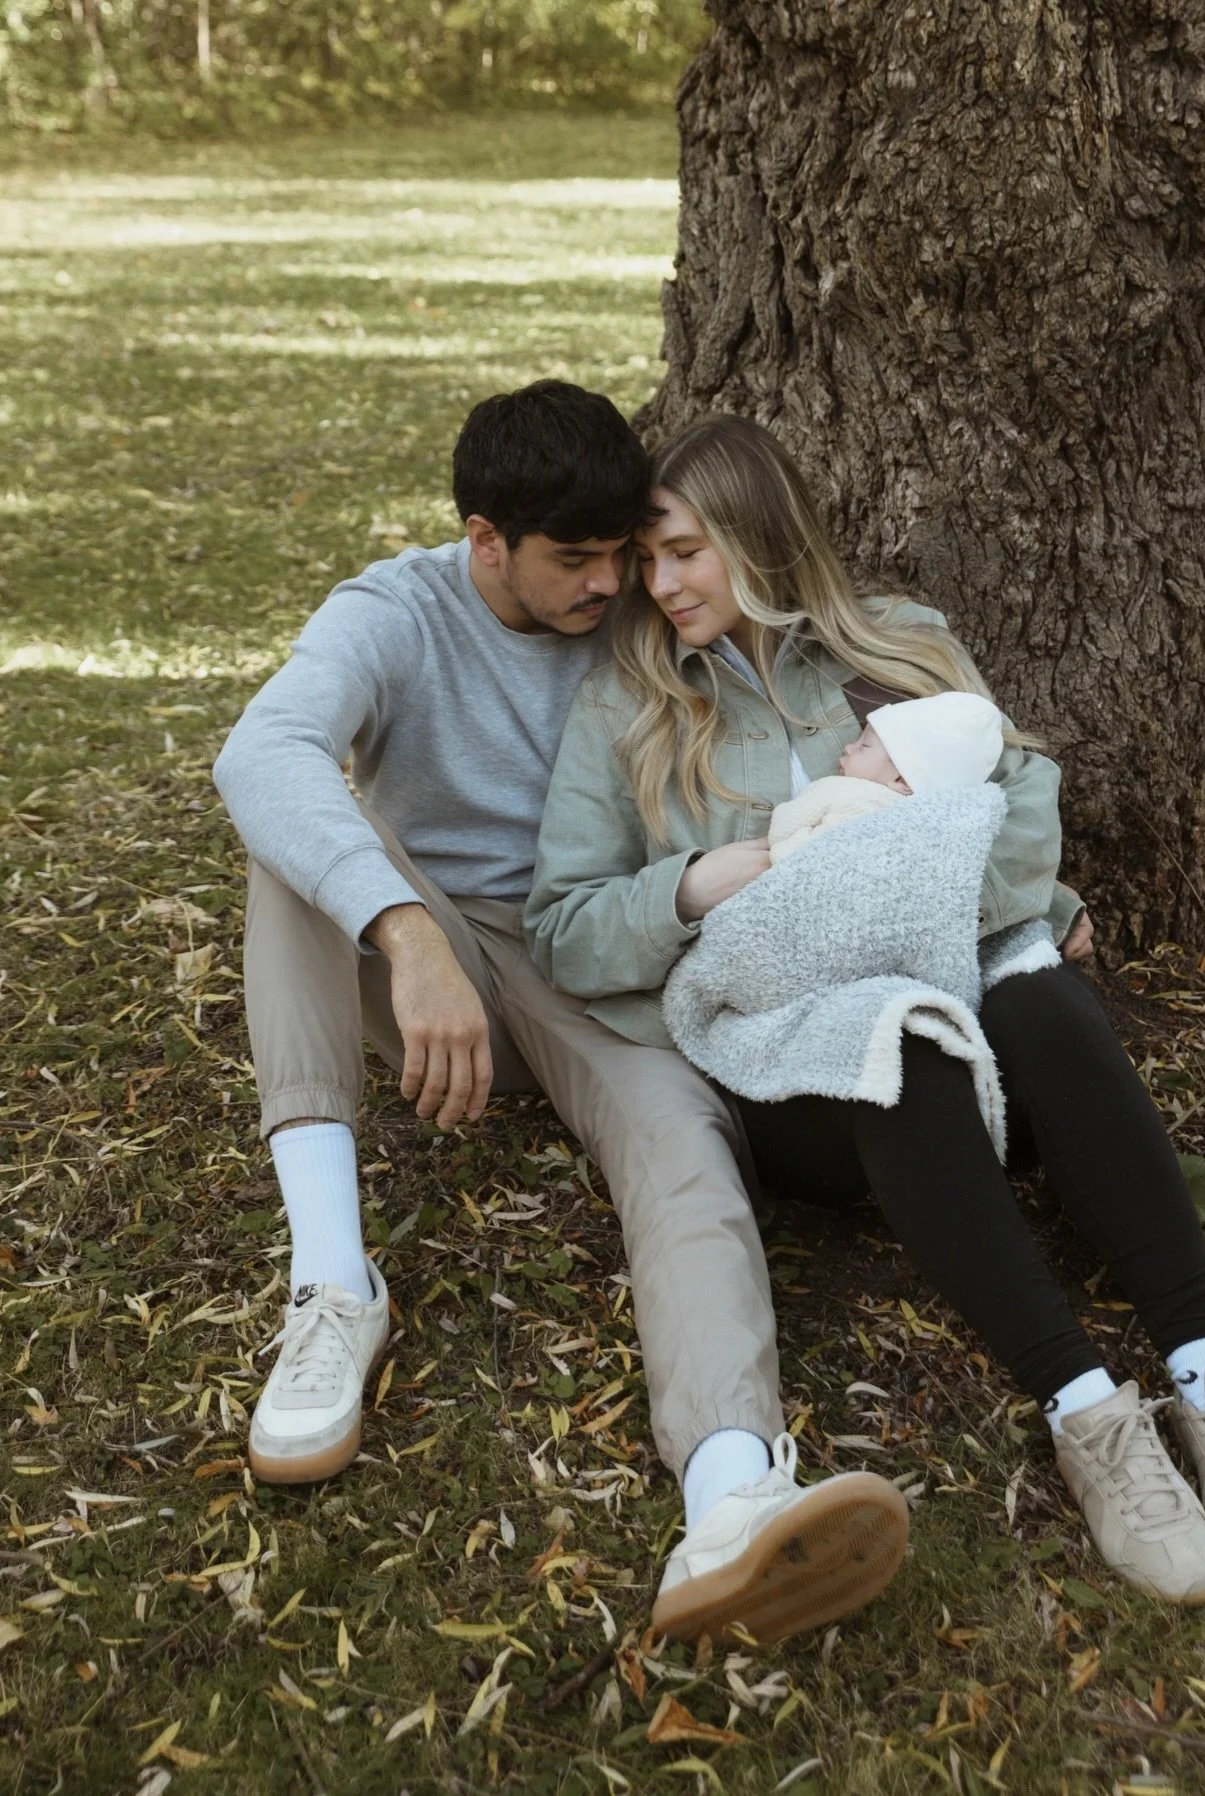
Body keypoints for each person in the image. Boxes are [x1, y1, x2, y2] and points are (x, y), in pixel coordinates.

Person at [526, 413, 1205, 1607]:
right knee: (896, 1038)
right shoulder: (627, 707)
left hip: (981, 1002)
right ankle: (1090, 1414)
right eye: (647, 558)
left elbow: (1018, 797)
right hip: (801, 1070)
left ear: (757, 534)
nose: (659, 582)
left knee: (1044, 1000)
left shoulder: (902, 645)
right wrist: (709, 878)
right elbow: (565, 927)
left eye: (684, 549)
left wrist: (939, 875)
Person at [212, 381, 907, 1647]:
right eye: (574, 561)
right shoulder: (395, 611)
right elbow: (259, 752)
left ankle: (731, 1489)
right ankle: (330, 1285)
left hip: (602, 957)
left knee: (686, 1155)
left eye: (621, 555)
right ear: (487, 541)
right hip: (435, 957)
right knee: (291, 842)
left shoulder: (641, 604)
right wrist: (407, 931)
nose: (611, 586)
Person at [767, 691, 1006, 863]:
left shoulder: (845, 792)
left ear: (901, 780)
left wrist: (771, 854)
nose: (848, 748)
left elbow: (783, 829)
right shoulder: (929, 825)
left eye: (864, 746)